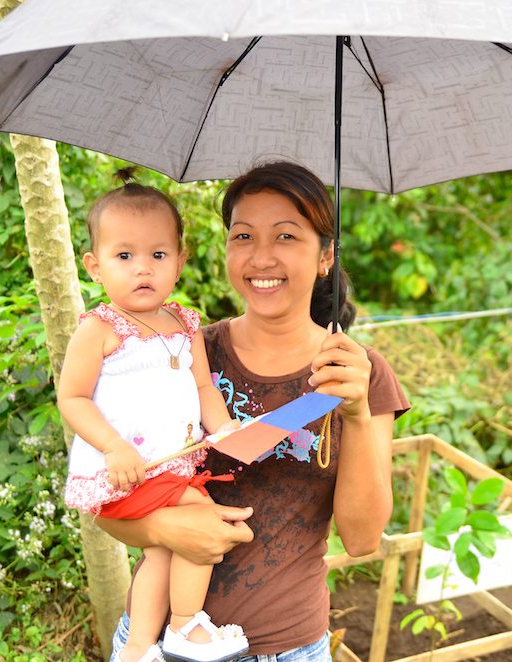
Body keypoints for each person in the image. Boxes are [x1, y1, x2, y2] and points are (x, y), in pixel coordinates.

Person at [101, 161, 410, 660]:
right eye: (243, 236)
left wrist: (352, 413)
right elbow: (107, 501)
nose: (261, 257)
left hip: (287, 649)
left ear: (326, 255)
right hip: (154, 641)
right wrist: (164, 529)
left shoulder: (358, 373)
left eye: (286, 237)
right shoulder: (183, 353)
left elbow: (361, 538)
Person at [58, 176, 249, 662]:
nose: (142, 269)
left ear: (180, 262)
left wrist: (223, 427)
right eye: (125, 257)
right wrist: (113, 446)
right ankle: (185, 628)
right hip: (127, 471)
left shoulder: (186, 323)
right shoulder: (100, 328)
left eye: (158, 256)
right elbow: (73, 397)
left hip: (171, 466)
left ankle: (140, 648)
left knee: (162, 552)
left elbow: (203, 387)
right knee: (202, 521)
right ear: (95, 266)